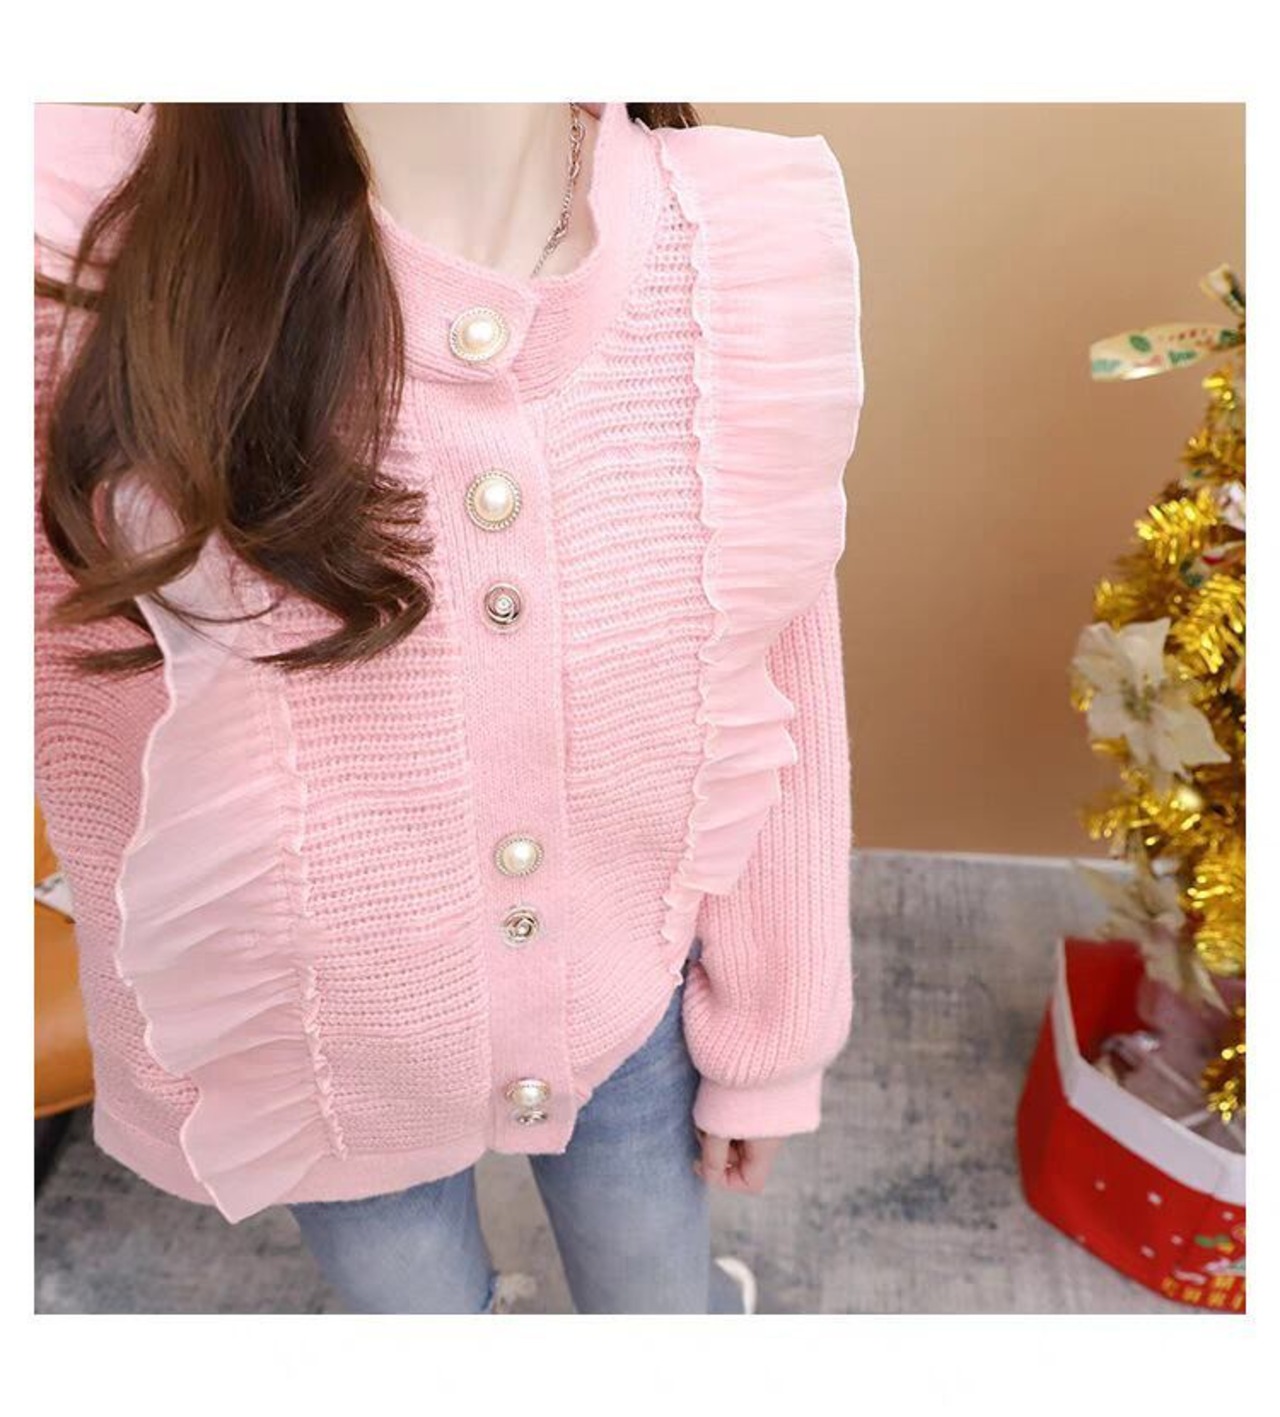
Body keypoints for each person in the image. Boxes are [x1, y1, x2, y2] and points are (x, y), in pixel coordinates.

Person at [33, 100, 864, 1314]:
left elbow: (776, 677)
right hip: (329, 1060)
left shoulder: (727, 258)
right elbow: (100, 760)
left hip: (625, 1001)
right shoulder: (102, 264)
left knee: (658, 1305)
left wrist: (770, 1037)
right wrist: (178, 1066)